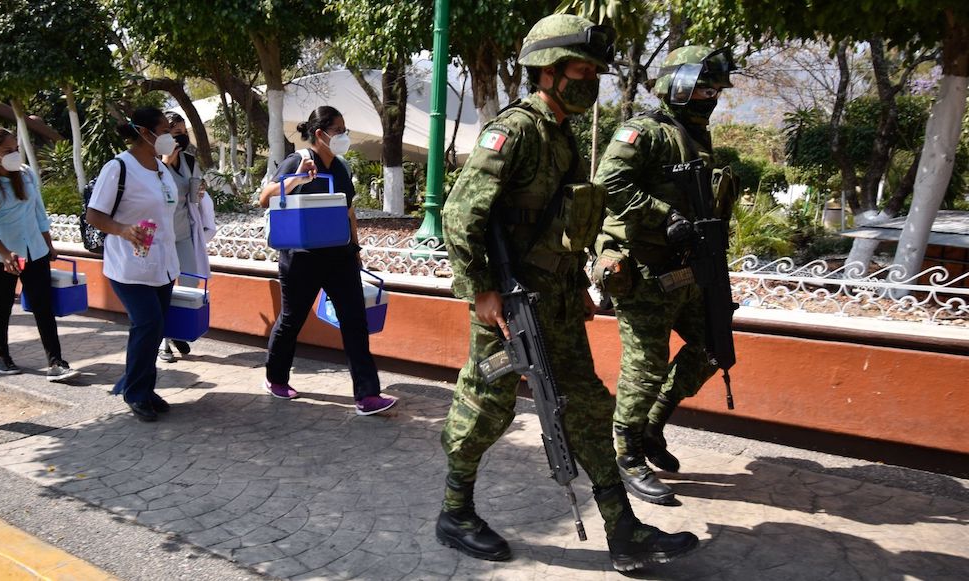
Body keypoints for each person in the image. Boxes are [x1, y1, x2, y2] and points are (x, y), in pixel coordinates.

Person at [435, 14, 698, 572]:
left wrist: (578, 284)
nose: (593, 79)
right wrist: (481, 292)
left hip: (553, 302)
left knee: (586, 408)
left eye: (596, 70)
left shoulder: (562, 135)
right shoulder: (517, 131)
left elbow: (566, 224)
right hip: (508, 308)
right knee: (486, 407)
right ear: (550, 72)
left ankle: (623, 530)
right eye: (584, 69)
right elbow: (460, 215)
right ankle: (455, 511)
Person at [594, 45, 739, 505]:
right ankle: (627, 452)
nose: (709, 95)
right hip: (641, 268)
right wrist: (663, 217)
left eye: (714, 87)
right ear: (675, 86)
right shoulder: (643, 131)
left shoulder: (697, 137)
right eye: (700, 86)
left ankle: (652, 423)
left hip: (688, 269)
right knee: (646, 366)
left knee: (714, 347)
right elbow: (609, 183)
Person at [256, 106, 397, 416]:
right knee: (292, 319)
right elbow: (264, 198)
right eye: (339, 131)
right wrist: (295, 180)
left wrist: (357, 250)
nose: (345, 136)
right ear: (320, 134)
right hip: (302, 257)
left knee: (355, 321)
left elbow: (348, 211)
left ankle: (367, 395)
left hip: (339, 255)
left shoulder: (342, 168)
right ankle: (275, 377)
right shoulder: (299, 160)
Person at [85, 107, 180, 422]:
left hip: (162, 264)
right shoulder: (118, 167)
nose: (170, 135)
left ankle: (145, 388)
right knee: (147, 324)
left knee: (156, 329)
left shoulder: (161, 169)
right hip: (129, 265)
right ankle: (135, 393)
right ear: (144, 132)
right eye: (165, 129)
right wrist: (124, 230)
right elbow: (94, 215)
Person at [0, 128, 79, 382]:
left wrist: (48, 244)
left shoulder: (25, 174)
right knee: (3, 304)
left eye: (16, 149)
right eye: (7, 151)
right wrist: (5, 254)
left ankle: (56, 362)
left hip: (34, 250)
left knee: (43, 306)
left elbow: (39, 211)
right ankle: (1, 357)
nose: (14, 155)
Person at [158, 111, 207, 362]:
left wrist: (199, 190)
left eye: (183, 132)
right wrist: (165, 164)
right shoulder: (154, 163)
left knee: (189, 284)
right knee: (163, 287)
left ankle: (178, 330)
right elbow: (153, 192)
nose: (181, 137)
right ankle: (164, 343)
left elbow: (193, 192)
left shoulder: (189, 160)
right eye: (176, 133)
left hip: (184, 231)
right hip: (161, 236)